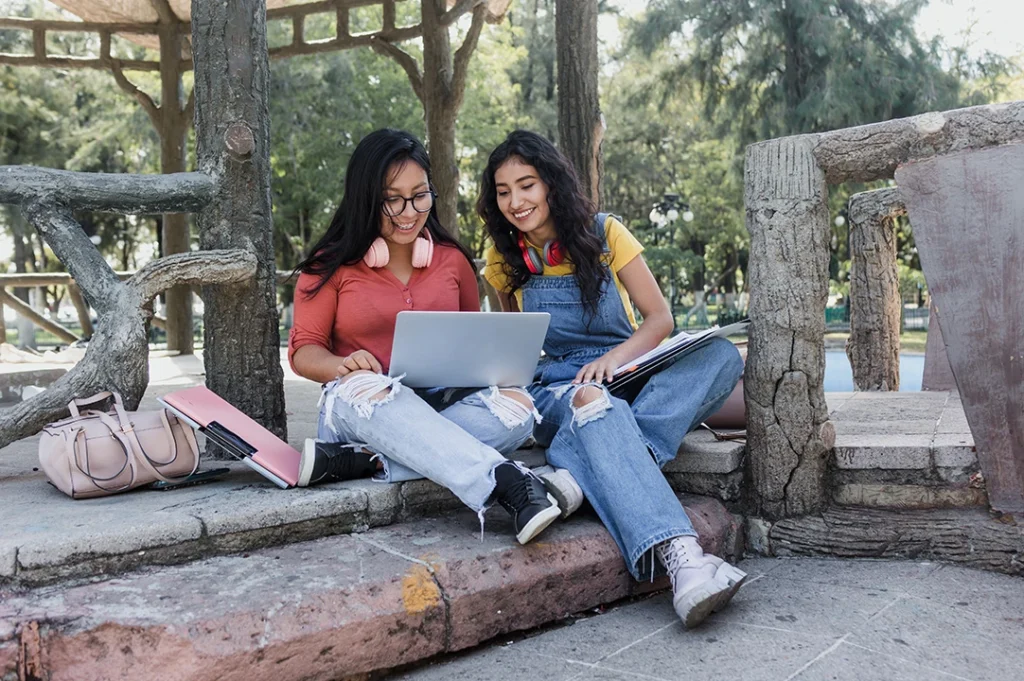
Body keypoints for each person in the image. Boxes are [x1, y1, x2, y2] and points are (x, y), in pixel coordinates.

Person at [478, 130, 748, 627]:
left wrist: (615, 360)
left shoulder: (605, 233)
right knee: (592, 402)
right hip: (559, 385)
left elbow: (659, 320)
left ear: (551, 185)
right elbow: (512, 346)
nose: (515, 201)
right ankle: (685, 564)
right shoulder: (503, 257)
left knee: (720, 356)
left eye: (527, 185)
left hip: (627, 365)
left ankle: (585, 467)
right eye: (503, 191)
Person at [288, 128, 560, 545]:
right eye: (392, 198)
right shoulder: (330, 265)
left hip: (441, 401)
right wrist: (341, 366)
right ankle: (502, 479)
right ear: (365, 197)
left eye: (420, 195)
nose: (408, 211)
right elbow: (303, 350)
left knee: (519, 410)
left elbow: (474, 340)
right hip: (360, 406)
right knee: (369, 387)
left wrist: (496, 371)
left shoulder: (452, 261)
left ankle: (367, 463)